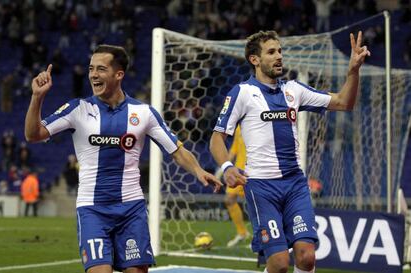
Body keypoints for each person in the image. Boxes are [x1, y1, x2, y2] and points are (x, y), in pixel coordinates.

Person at [25, 45, 222, 273]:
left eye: (101, 69)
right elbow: (33, 134)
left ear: (119, 74)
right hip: (93, 209)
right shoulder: (77, 109)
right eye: (91, 69)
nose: (93, 75)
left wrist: (199, 171)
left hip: (130, 209)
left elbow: (176, 150)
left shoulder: (144, 113)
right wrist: (37, 98)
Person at [209, 30, 370, 273]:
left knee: (306, 258)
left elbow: (344, 102)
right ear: (255, 60)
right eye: (271, 52)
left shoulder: (294, 90)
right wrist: (228, 167)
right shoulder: (242, 93)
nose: (279, 56)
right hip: (262, 187)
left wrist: (353, 71)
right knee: (280, 263)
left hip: (295, 184)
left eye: (280, 51)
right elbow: (216, 139)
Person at [217, 125, 250, 247]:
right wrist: (223, 167)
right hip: (238, 171)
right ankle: (242, 233)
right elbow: (233, 150)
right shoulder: (238, 129)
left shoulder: (257, 124)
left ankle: (261, 237)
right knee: (229, 199)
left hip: (253, 170)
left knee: (257, 204)